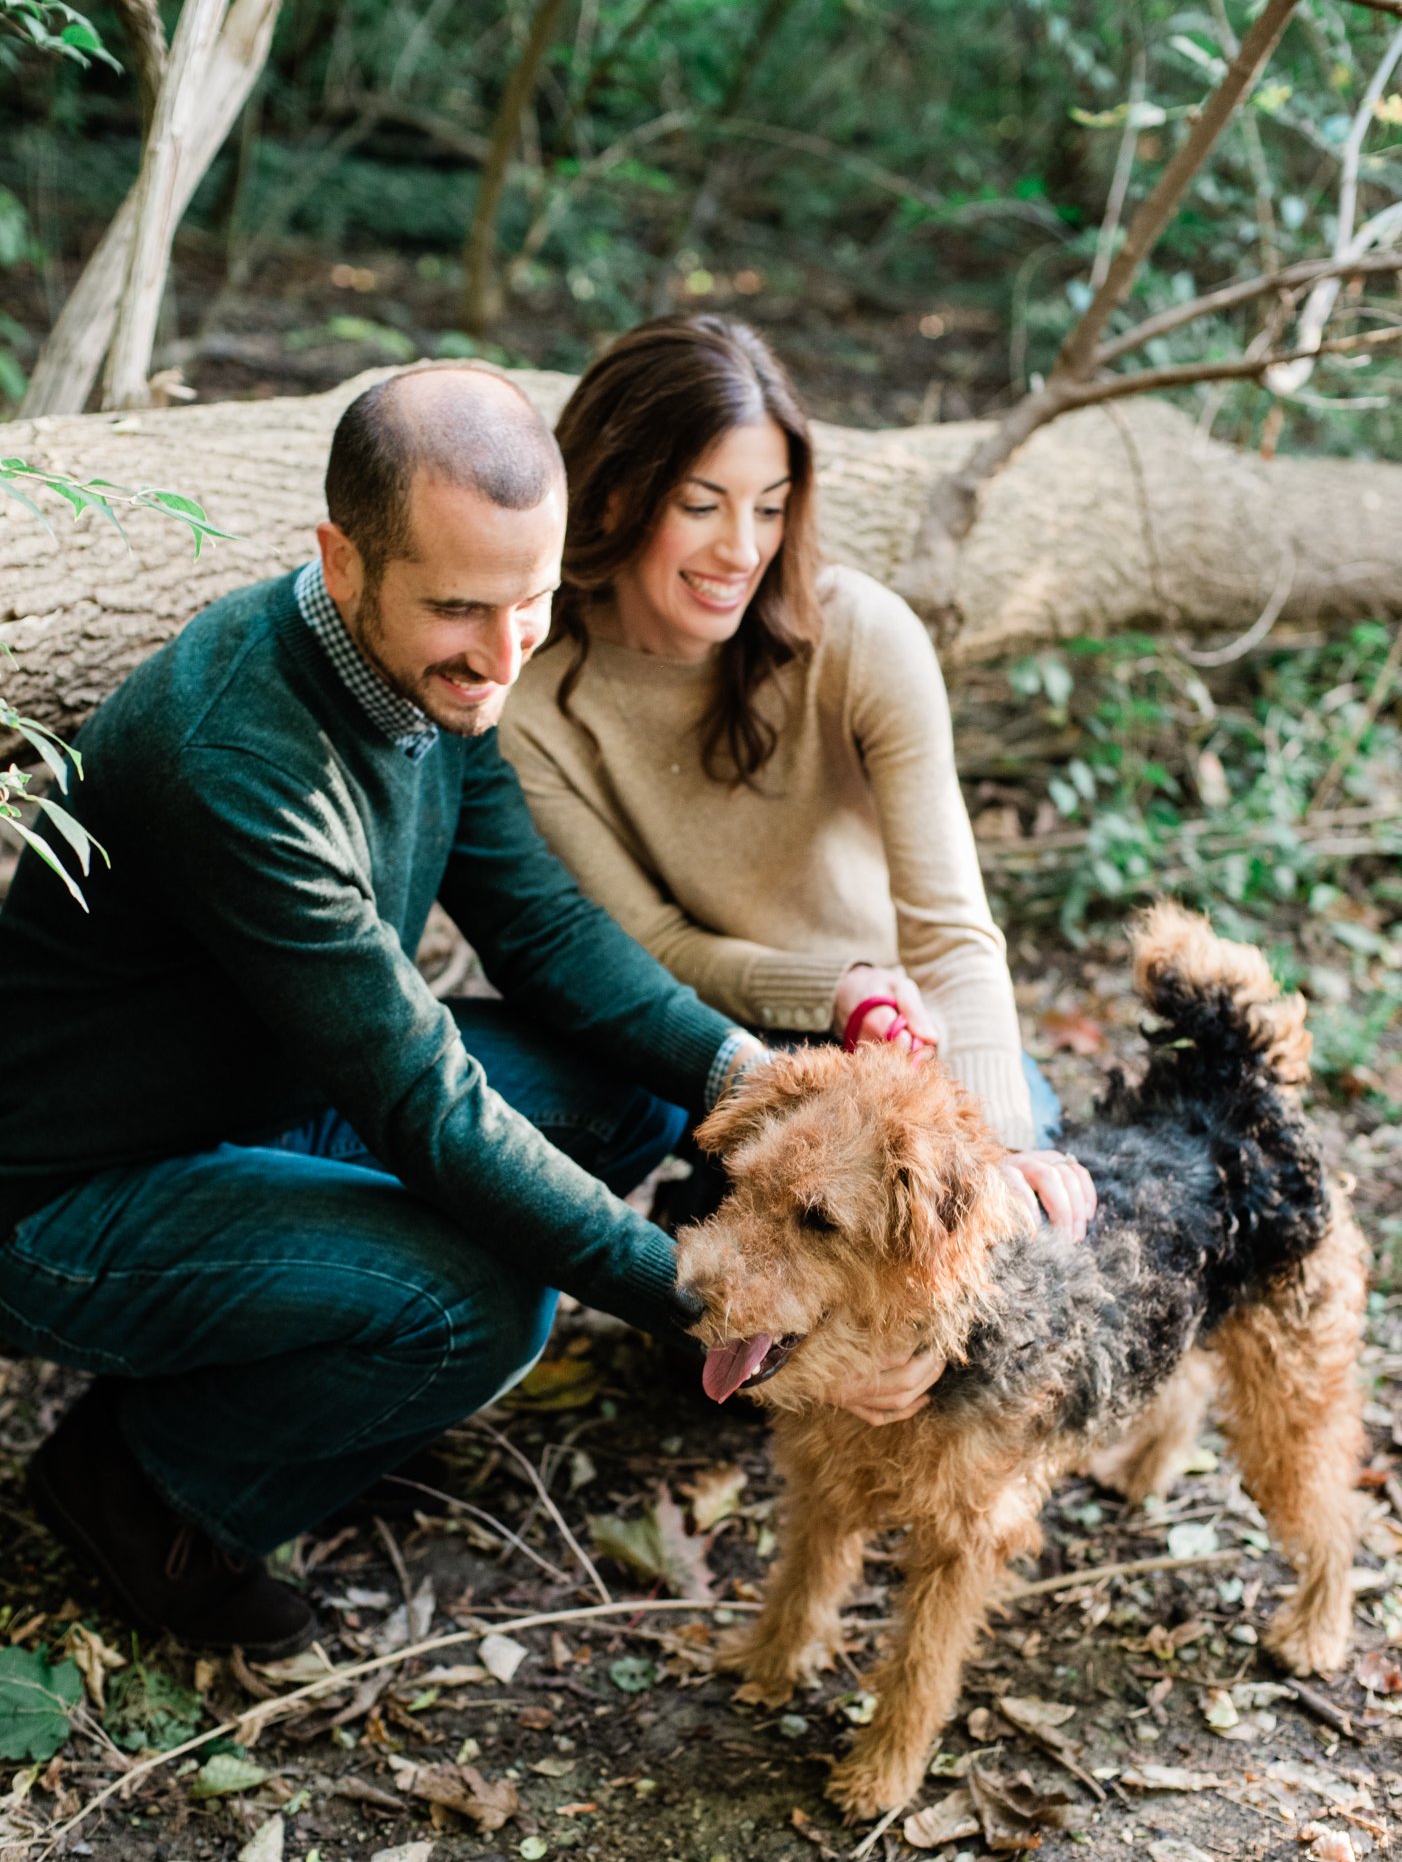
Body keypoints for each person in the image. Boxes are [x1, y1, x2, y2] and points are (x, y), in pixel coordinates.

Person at [0, 362, 953, 1658]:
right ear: (341, 563)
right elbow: (424, 1107)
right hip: (67, 1196)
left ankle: (308, 1396)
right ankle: (145, 1488)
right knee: (483, 1309)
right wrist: (714, 1296)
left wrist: (754, 1082)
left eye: (533, 600)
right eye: (459, 608)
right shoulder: (234, 761)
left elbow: (549, 936)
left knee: (622, 1087)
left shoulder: (439, 673)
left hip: (267, 1101)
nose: (505, 654)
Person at [497, 316, 1096, 1237]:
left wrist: (1001, 1147)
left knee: (1014, 1261)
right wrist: (830, 989)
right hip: (733, 1058)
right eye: (701, 505)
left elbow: (952, 939)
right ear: (612, 494)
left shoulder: (858, 635)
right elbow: (656, 944)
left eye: (769, 508)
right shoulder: (535, 699)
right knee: (756, 1342)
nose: (742, 550)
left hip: (919, 1043)